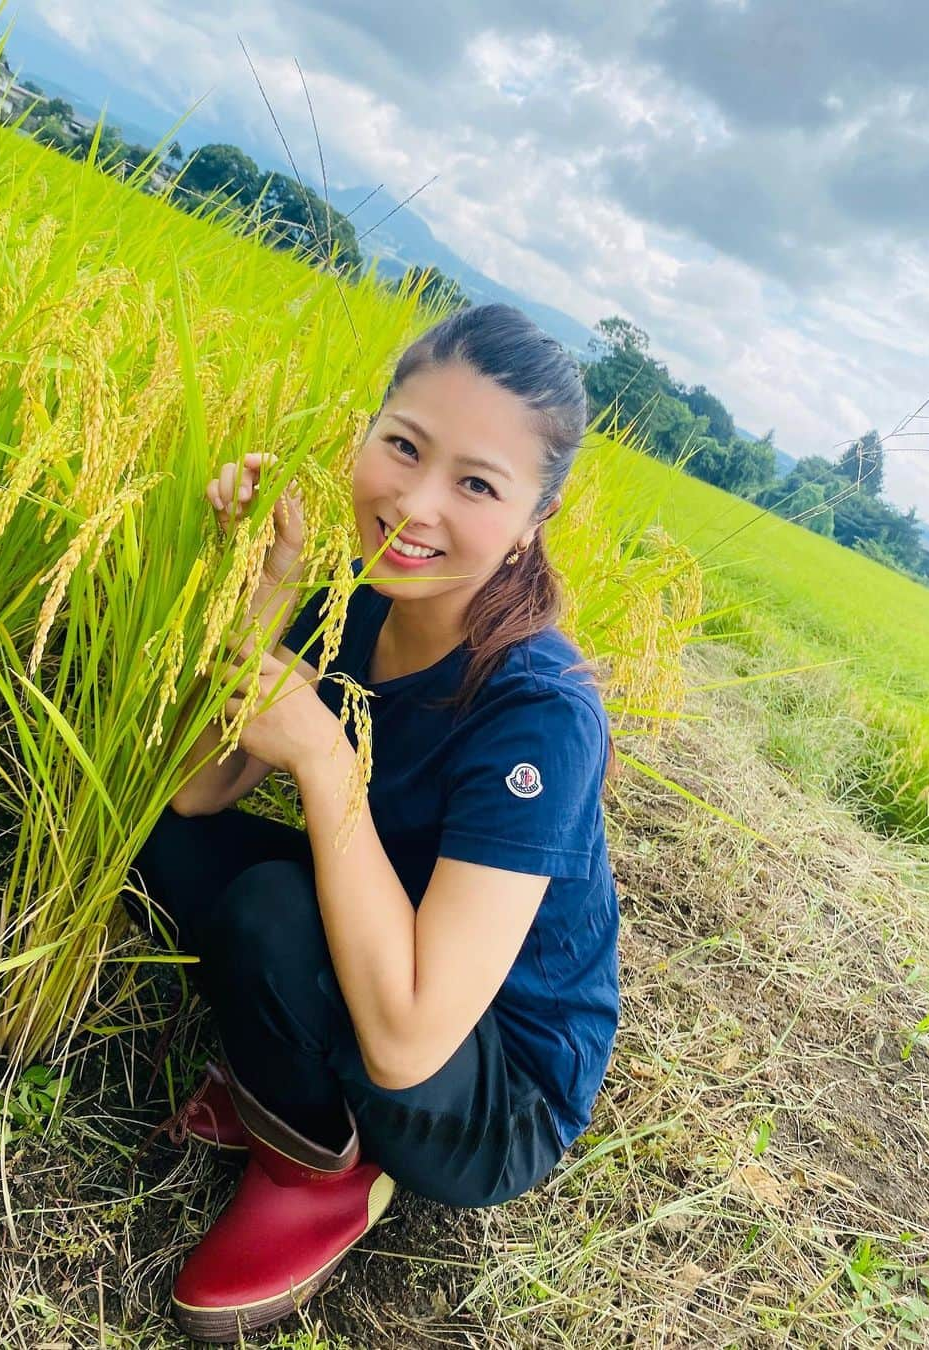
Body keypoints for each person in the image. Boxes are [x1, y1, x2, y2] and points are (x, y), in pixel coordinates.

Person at [127, 303, 621, 1344]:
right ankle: (291, 1077)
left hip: (490, 1081)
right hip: (387, 943)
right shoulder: (361, 596)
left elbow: (406, 1040)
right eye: (402, 445)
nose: (415, 503)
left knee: (270, 909)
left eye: (477, 484)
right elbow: (196, 796)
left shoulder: (540, 708)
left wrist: (323, 758)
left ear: (534, 519)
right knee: (160, 843)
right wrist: (269, 592)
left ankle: (319, 1172)